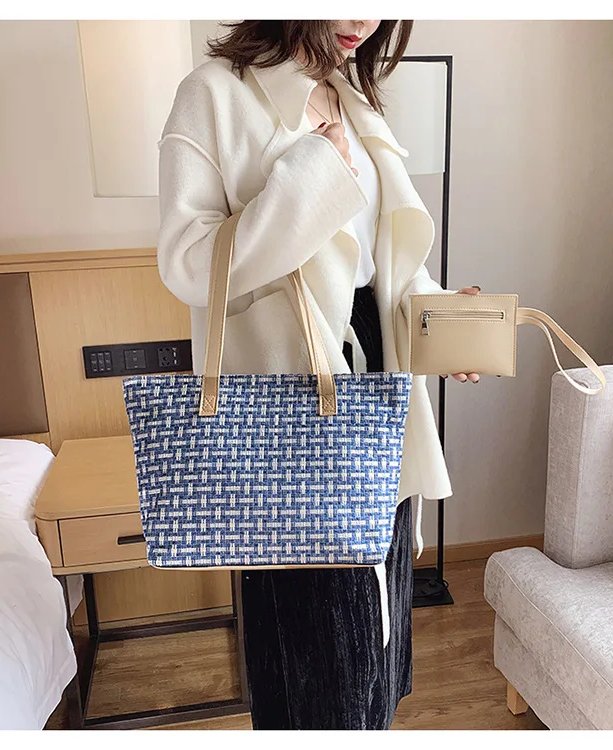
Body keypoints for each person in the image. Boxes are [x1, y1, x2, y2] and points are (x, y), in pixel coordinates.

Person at [157, 19, 481, 730]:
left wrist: (441, 317)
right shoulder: (213, 96)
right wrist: (309, 178)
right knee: (325, 667)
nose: (362, 20)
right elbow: (187, 265)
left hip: (379, 392)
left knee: (376, 660)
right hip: (292, 416)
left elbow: (380, 262)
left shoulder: (350, 98)